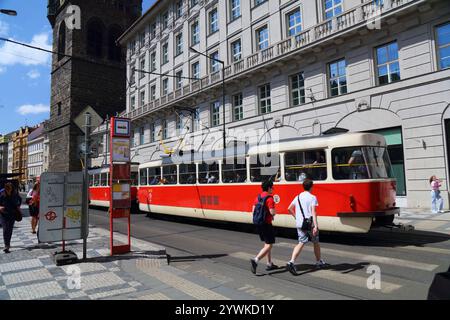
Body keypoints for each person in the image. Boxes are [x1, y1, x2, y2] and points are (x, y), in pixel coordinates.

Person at [286, 179, 326, 275]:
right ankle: (318, 261)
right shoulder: (313, 197)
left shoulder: (298, 197)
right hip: (309, 224)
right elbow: (313, 212)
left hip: (300, 223)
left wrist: (296, 217)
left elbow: (289, 208)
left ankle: (291, 261)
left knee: (301, 242)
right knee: (316, 242)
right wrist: (315, 226)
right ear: (311, 187)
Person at [250, 180, 278, 274]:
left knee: (267, 243)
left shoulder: (258, 197)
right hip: (266, 224)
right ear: (269, 188)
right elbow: (272, 212)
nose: (273, 189)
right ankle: (256, 260)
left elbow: (253, 209)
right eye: (272, 187)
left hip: (259, 223)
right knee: (269, 244)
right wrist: (274, 213)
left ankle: (269, 263)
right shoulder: (270, 198)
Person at [0, 183, 22, 253]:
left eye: (10, 188)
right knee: (5, 229)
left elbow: (19, 202)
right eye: (7, 188)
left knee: (9, 229)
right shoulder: (1, 194)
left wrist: (18, 208)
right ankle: (6, 245)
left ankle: (8, 243)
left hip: (12, 214)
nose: (8, 190)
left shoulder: (15, 195)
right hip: (3, 215)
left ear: (12, 188)